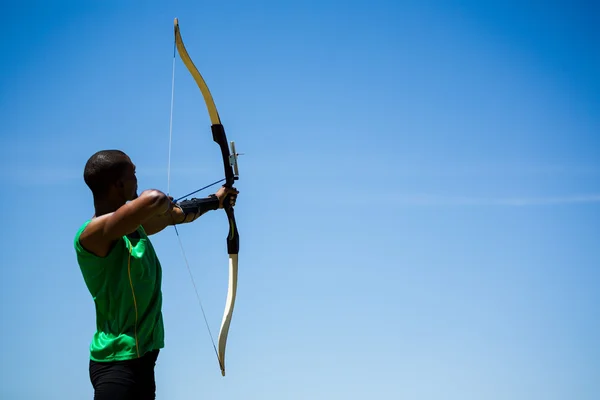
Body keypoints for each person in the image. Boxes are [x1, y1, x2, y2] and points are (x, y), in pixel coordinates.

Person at [73, 149, 238, 399]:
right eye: (133, 173)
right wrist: (160, 203)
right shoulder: (92, 234)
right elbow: (154, 200)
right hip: (116, 366)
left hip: (143, 365)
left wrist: (216, 200)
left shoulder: (135, 228)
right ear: (119, 184)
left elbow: (177, 215)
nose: (137, 178)